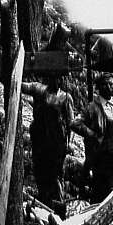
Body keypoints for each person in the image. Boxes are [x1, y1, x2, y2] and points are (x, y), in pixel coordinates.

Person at [21, 72, 76, 217]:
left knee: (56, 176)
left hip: (57, 144)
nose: (55, 80)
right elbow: (21, 86)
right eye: (53, 76)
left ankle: (59, 211)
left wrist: (68, 144)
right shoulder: (39, 89)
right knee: (40, 173)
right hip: (40, 141)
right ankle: (44, 209)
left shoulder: (65, 97)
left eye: (58, 77)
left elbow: (71, 122)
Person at [73, 74, 113, 201]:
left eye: (112, 84)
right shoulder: (92, 107)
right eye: (107, 84)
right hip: (102, 160)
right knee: (104, 196)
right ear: (100, 87)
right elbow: (75, 124)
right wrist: (92, 134)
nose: (111, 87)